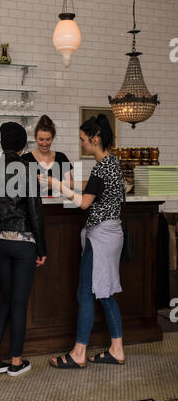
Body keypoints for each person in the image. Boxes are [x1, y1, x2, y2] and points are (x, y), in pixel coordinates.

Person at [42, 114, 125, 368]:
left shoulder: (102, 166)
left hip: (100, 237)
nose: (82, 144)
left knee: (86, 293)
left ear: (95, 138)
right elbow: (93, 187)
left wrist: (56, 184)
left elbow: (85, 202)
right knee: (106, 293)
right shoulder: (112, 162)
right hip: (112, 234)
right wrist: (68, 184)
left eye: (83, 140)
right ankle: (116, 350)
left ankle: (78, 353)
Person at [0, 122, 47, 377]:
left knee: (7, 299)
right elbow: (35, 213)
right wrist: (42, 248)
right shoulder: (28, 170)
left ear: (2, 144)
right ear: (23, 146)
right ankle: (16, 362)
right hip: (22, 244)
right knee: (18, 302)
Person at [21, 115, 73, 196]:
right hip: (33, 207)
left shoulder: (61, 157)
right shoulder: (25, 159)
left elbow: (71, 185)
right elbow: (20, 188)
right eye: (41, 139)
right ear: (35, 138)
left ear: (52, 138)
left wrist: (52, 183)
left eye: (48, 139)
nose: (44, 144)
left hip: (57, 206)